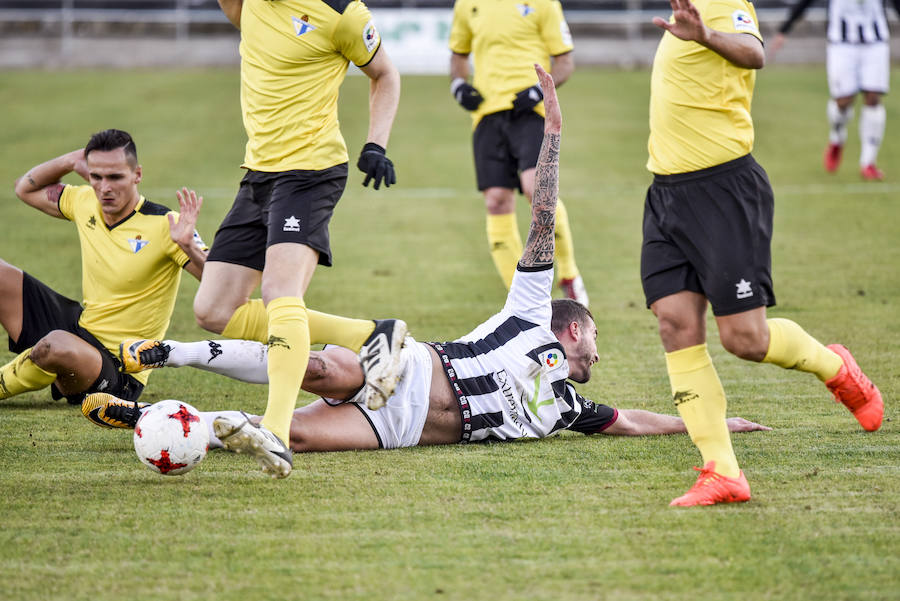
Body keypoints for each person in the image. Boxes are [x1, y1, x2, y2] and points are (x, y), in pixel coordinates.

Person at [84, 66, 769, 459]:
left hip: (401, 429)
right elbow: (541, 217)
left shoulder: (569, 407)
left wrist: (708, 423)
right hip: (408, 367)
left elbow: (632, 420)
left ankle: (160, 420)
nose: (599, 351)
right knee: (319, 367)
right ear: (569, 326)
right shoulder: (529, 310)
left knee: (283, 430)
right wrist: (551, 137)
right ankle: (165, 351)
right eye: (594, 337)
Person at [643, 0, 883, 507]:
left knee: (745, 340)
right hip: (666, 194)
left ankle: (834, 367)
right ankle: (722, 471)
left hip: (724, 189)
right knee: (674, 324)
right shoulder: (682, 12)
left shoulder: (724, 4)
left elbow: (754, 53)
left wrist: (704, 34)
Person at [191, 0, 403, 478]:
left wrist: (376, 145)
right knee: (213, 310)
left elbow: (385, 74)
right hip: (259, 173)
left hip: (310, 171)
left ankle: (278, 434)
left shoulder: (343, 14)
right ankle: (370, 335)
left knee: (280, 293)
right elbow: (236, 14)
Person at [1, 129, 207, 411]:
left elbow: (218, 283)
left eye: (115, 177)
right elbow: (24, 188)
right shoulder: (85, 201)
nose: (105, 187)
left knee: (56, 345)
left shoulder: (166, 224)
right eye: (96, 176)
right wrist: (72, 160)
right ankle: (45, 360)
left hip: (117, 369)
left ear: (137, 175)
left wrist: (189, 246)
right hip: (80, 329)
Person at [448, 0, 589, 307]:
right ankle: (524, 300)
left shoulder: (544, 4)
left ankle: (569, 276)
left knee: (535, 189)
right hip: (486, 115)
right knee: (496, 200)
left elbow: (564, 61)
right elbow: (458, 54)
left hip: (530, 112)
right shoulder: (467, 4)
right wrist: (458, 85)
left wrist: (538, 91)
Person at [770, 0, 899, 180]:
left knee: (873, 97)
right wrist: (785, 29)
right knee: (844, 101)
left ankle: (868, 162)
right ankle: (837, 137)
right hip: (842, 44)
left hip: (875, 42)